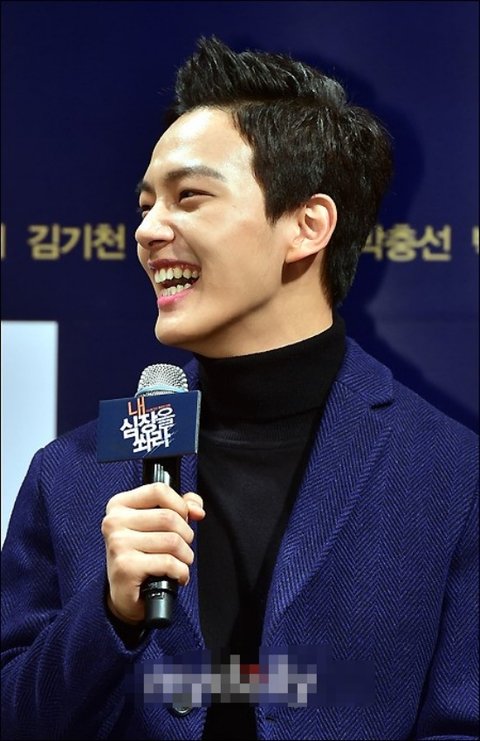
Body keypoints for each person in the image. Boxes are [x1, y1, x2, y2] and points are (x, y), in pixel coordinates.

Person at [1, 36, 478, 741]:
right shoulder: (70, 474)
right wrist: (108, 615)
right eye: (145, 204)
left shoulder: (450, 473)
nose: (147, 230)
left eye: (189, 197)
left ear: (307, 226)